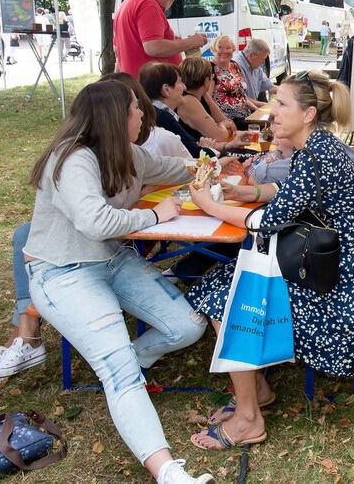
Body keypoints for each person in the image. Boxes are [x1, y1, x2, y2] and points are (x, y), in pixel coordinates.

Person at [187, 71, 354, 450]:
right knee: (225, 284)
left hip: (342, 292)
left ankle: (249, 418)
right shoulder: (318, 148)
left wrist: (210, 204)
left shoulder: (316, 156)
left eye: (282, 104)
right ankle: (257, 391)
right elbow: (287, 191)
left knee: (226, 298)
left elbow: (265, 223)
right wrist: (246, 190)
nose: (273, 112)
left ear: (308, 114)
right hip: (338, 272)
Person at [22, 80, 213, 483]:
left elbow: (178, 167)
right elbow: (95, 222)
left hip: (113, 260)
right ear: (115, 117)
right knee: (121, 372)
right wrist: (155, 216)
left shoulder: (128, 154)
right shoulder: (72, 160)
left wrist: (218, 163)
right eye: (135, 109)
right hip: (64, 272)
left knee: (189, 324)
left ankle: (124, 357)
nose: (143, 114)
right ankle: (167, 471)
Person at [113, 0, 208, 77]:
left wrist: (173, 42)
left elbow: (119, 51)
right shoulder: (148, 4)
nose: (174, 0)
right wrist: (190, 42)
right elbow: (153, 47)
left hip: (138, 84)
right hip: (151, 87)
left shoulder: (128, 2)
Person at [140, 61, 250, 158]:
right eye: (179, 82)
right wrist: (215, 142)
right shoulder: (163, 116)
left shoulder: (159, 112)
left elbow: (193, 144)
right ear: (166, 89)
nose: (184, 87)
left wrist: (227, 145)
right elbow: (197, 151)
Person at [177, 56, 239, 142]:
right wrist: (222, 125)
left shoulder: (203, 94)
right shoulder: (188, 101)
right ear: (206, 80)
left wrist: (221, 126)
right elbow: (219, 137)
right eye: (212, 76)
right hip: (197, 153)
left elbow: (232, 127)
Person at [210, 35, 257, 126]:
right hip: (228, 120)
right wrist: (225, 122)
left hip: (246, 115)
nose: (224, 51)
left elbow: (241, 94)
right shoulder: (210, 69)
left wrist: (256, 109)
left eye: (228, 48)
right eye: (220, 48)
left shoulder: (234, 65)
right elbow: (208, 100)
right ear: (213, 50)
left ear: (233, 50)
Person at [232, 38, 278, 103]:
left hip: (252, 108)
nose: (263, 62)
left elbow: (271, 87)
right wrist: (264, 106)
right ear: (251, 56)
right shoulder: (235, 66)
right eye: (262, 59)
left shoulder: (255, 66)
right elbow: (241, 98)